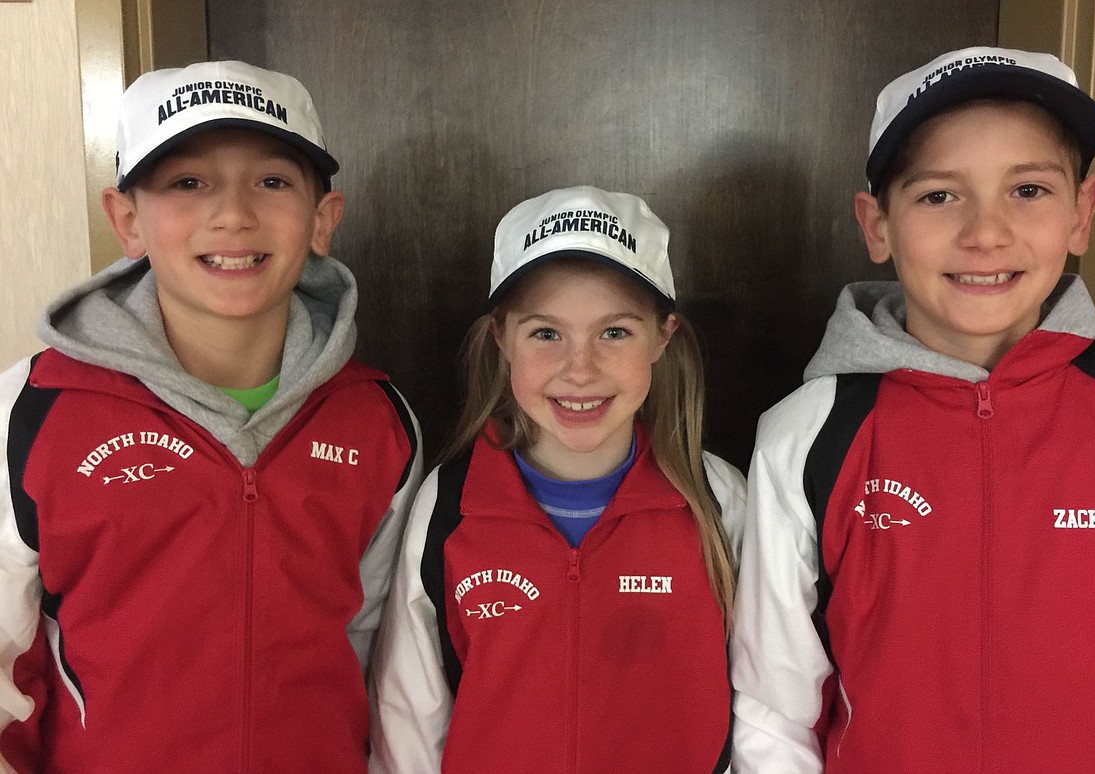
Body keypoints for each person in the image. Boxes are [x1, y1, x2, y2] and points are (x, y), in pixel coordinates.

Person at [732, 46, 1095, 772]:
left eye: (1028, 190)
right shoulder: (806, 435)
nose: (985, 233)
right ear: (877, 225)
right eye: (939, 195)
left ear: (1083, 213)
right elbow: (772, 708)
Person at [0, 60, 422, 773]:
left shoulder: (376, 420)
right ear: (127, 220)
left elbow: (378, 656)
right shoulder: (32, 411)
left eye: (273, 181)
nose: (233, 215)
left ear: (323, 219)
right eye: (188, 183)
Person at [369, 185, 745, 773]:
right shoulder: (449, 504)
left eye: (614, 332)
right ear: (501, 337)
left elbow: (766, 707)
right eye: (547, 333)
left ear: (663, 335)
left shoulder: (718, 502)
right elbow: (408, 715)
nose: (580, 369)